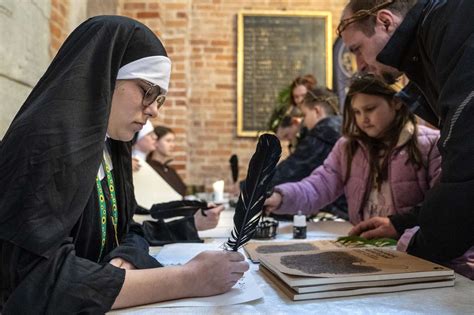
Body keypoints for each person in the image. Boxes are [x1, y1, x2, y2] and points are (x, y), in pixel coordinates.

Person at [0, 16, 248, 313]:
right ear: (104, 76)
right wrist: (188, 278)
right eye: (148, 92)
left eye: (160, 99)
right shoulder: (43, 144)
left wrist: (124, 260)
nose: (154, 110)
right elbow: (38, 281)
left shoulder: (108, 144)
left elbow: (124, 229)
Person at [338, 0, 474, 274]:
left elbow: (466, 159)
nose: (359, 65)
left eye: (358, 50)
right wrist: (401, 223)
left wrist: (418, 247)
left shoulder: (450, 24)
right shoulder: (434, 35)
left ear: (385, 22)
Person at [265, 74, 440, 228]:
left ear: (396, 102)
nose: (363, 119)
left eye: (370, 109)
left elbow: (440, 207)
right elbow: (317, 187)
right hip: (365, 246)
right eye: (357, 112)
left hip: (411, 253)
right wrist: (281, 197)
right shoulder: (347, 147)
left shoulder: (430, 144)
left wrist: (400, 229)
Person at [269, 87, 348, 218]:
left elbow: (291, 170)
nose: (304, 122)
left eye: (305, 115)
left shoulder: (323, 132)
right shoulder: (340, 127)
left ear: (317, 111)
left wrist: (250, 186)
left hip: (338, 214)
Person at [132, 121, 223, 233]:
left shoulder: (167, 169)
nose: (173, 145)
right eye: (168, 141)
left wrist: (198, 205)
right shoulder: (137, 164)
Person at [147, 125, 187, 197]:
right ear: (156, 142)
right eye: (168, 141)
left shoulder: (170, 170)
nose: (172, 145)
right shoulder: (147, 168)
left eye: (173, 141)